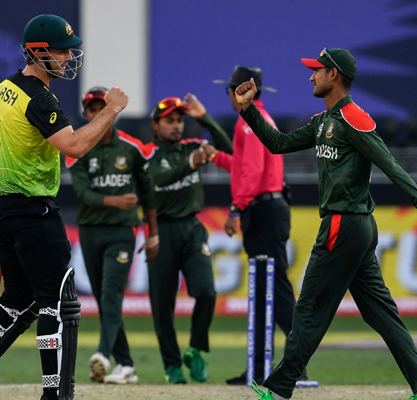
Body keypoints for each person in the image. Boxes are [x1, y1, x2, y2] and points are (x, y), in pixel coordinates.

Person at [0, 14, 129, 400]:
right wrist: (111, 110)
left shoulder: (3, 89)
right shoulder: (40, 98)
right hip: (33, 211)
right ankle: (55, 395)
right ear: (39, 54)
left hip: (5, 208)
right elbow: (74, 146)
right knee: (56, 305)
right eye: (62, 51)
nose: (69, 58)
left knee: (19, 301)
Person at [234, 48, 417, 400]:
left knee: (308, 310)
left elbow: (388, 162)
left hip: (343, 225)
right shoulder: (324, 121)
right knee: (382, 315)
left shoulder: (353, 117)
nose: (310, 76)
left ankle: (279, 389)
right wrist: (249, 109)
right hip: (356, 228)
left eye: (316, 70)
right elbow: (278, 144)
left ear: (334, 75)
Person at [213, 66, 311, 385]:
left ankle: (296, 362)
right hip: (269, 208)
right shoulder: (257, 121)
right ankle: (257, 367)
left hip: (263, 210)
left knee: (274, 291)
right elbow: (245, 167)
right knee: (263, 290)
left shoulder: (248, 125)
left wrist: (234, 209)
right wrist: (216, 157)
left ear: (235, 92)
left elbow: (252, 175)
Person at [66, 86, 159, 384]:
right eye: (92, 110)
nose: (97, 114)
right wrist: (115, 200)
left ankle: (103, 354)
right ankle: (127, 365)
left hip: (123, 231)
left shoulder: (131, 148)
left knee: (110, 294)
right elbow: (84, 193)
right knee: (102, 298)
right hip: (91, 231)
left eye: (101, 108)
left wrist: (153, 233)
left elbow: (147, 191)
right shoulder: (79, 146)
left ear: (113, 110)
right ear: (86, 114)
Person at [145, 94, 232, 384]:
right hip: (161, 231)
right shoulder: (146, 154)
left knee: (206, 292)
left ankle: (195, 350)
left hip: (193, 229)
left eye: (180, 120)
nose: (177, 126)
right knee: (163, 306)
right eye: (170, 121)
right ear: (156, 125)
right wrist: (190, 165)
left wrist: (204, 118)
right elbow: (156, 180)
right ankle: (172, 366)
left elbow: (229, 149)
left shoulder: (192, 146)